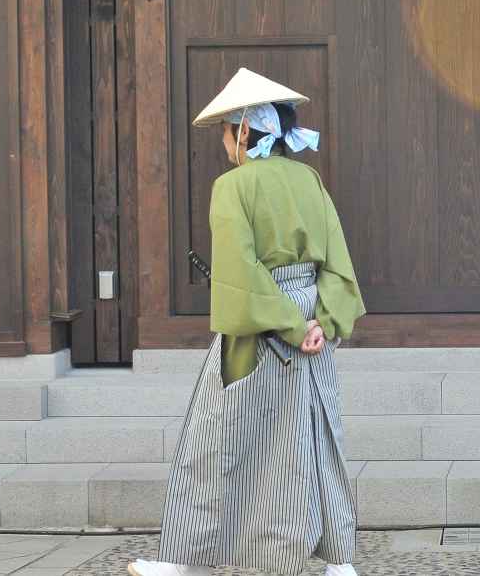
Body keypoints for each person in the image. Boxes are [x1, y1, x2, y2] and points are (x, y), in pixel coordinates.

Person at [130, 68, 367, 576]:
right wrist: (320, 321)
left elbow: (240, 270)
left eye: (224, 132)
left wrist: (286, 324)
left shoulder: (233, 186)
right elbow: (339, 263)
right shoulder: (310, 179)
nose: (222, 143)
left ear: (242, 132)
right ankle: (337, 561)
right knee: (314, 438)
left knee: (217, 438)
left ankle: (181, 559)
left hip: (259, 332)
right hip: (312, 329)